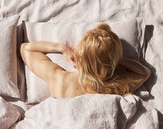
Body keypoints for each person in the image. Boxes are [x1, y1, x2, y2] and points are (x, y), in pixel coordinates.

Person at [20, 23, 151, 98]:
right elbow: (145, 73)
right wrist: (117, 60)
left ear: (80, 56)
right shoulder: (112, 87)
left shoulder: (60, 80)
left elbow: (25, 49)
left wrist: (62, 48)